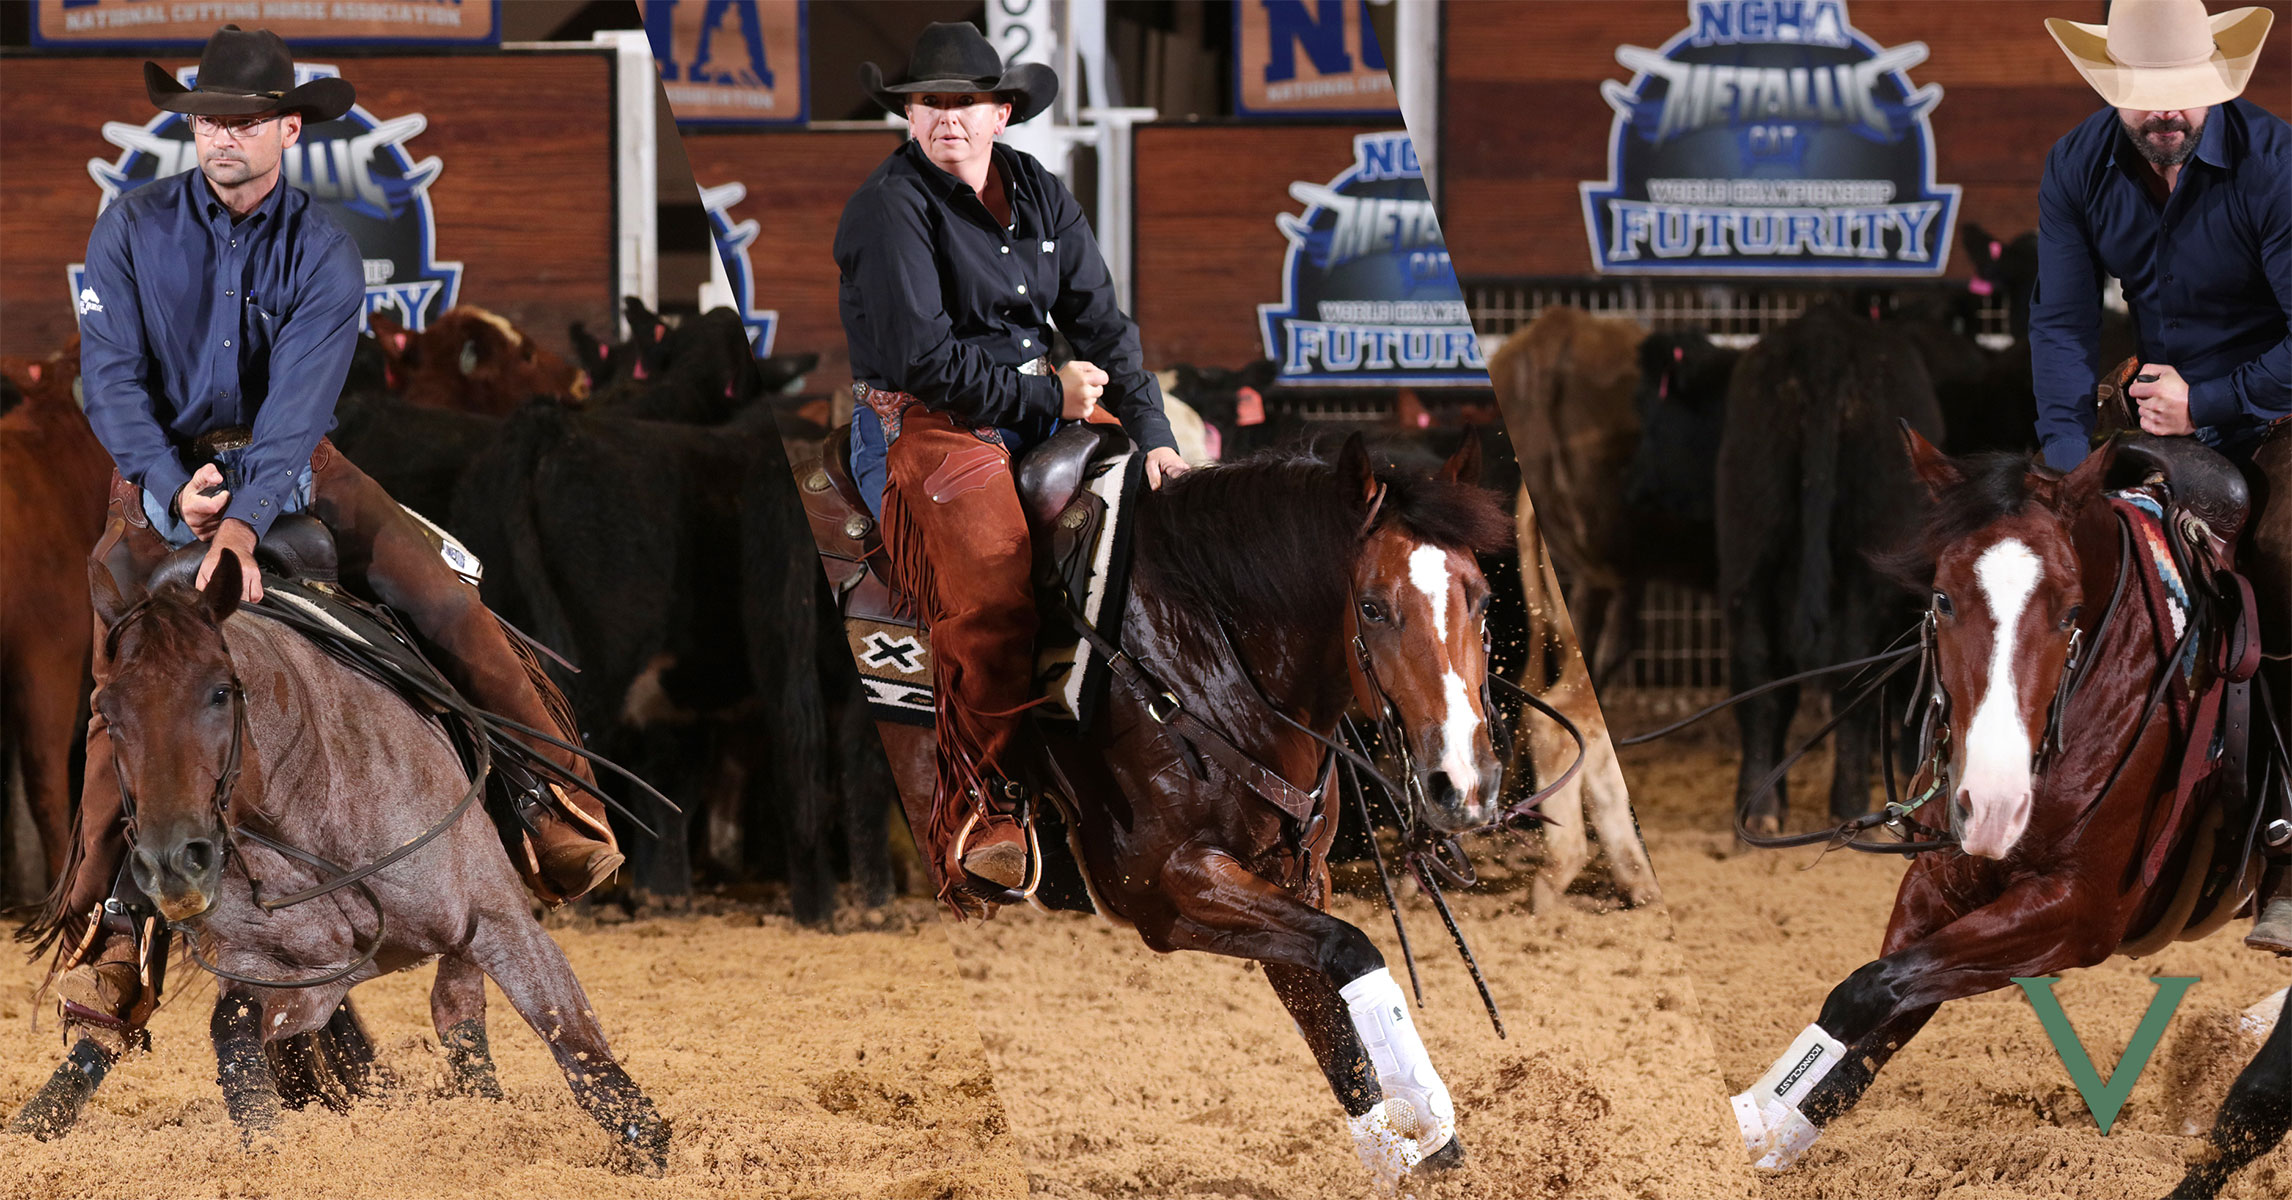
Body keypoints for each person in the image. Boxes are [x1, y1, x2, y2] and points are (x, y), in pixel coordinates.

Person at [36, 26, 623, 1039]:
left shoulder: (323, 248)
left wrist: (248, 516)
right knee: (123, 682)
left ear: (288, 129)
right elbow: (111, 380)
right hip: (157, 478)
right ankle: (112, 925)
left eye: (247, 120)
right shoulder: (129, 228)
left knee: (444, 594)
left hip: (298, 466)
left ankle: (551, 803)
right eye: (209, 117)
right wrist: (178, 491)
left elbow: (302, 405)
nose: (223, 135)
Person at [833, 22, 1188, 908]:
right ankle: (987, 804)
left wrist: (1157, 435)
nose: (945, 118)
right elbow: (923, 361)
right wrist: (1054, 403)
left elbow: (1103, 325)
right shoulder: (889, 208)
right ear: (910, 115)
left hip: (1038, 407)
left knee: (1164, 532)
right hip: (929, 421)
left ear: (1001, 113)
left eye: (962, 103)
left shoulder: (1040, 191)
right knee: (993, 587)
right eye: (928, 104)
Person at [2034, 0, 2291, 947]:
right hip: (2159, 409)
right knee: (2038, 564)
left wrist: (2208, 400)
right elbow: (2061, 324)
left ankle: (2289, 848)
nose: (2166, 115)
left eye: (2183, 97)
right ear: (2112, 92)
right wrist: (2065, 474)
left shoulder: (2275, 165)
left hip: (2273, 408)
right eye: (2144, 101)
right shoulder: (2076, 165)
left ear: (2216, 86)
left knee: (2284, 560)